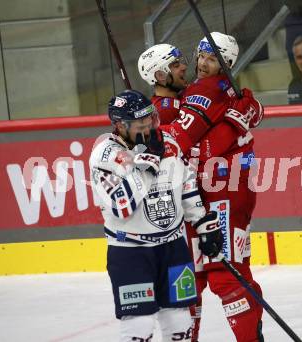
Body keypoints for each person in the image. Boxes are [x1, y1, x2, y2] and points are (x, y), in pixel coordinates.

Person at [139, 32, 264, 342]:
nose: (200, 64)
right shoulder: (193, 94)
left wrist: (151, 138)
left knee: (222, 276)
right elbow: (251, 111)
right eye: (201, 57)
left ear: (229, 65)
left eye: (215, 59)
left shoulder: (203, 91)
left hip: (221, 194)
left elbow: (180, 144)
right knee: (197, 277)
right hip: (203, 198)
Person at [89, 89, 222, 342]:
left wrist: (202, 221)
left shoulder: (166, 142)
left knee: (180, 322)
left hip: (173, 247)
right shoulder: (104, 156)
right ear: (120, 126)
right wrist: (145, 168)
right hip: (130, 251)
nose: (149, 128)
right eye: (141, 125)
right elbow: (122, 206)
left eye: (150, 121)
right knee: (139, 327)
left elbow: (185, 183)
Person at [138, 43, 188, 125]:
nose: (184, 67)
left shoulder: (173, 99)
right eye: (176, 65)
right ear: (160, 75)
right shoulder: (164, 111)